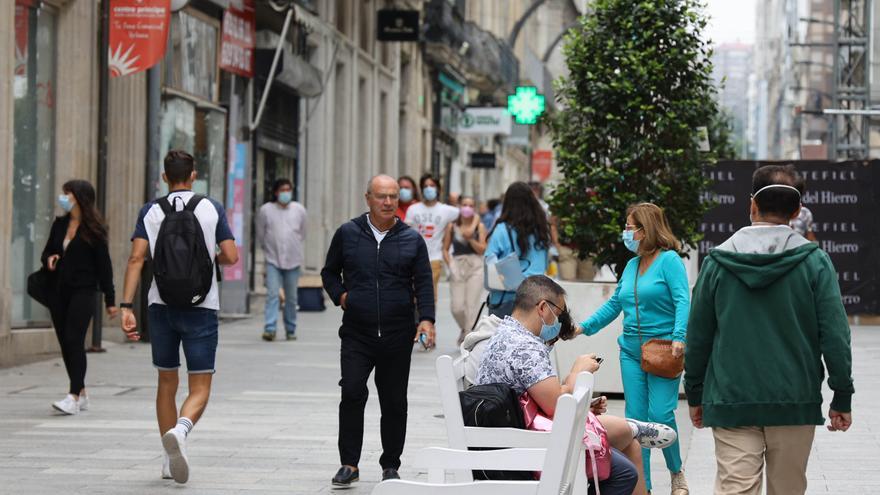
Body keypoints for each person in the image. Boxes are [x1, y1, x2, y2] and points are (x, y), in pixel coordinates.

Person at [685, 165, 854, 495]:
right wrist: (842, 395)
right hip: (795, 399)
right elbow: (835, 335)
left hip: (731, 398)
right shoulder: (815, 262)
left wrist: (695, 391)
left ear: (752, 205)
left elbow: (699, 334)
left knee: (735, 489)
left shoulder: (717, 263)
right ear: (796, 211)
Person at [476, 275, 678, 495]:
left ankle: (631, 429)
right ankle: (632, 428)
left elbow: (537, 400)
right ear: (543, 308)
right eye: (559, 314)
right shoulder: (525, 347)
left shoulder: (504, 334)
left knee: (631, 447)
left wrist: (581, 403)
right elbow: (555, 407)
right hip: (527, 447)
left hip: (515, 434)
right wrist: (577, 372)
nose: (559, 322)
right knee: (624, 472)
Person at [119, 150, 239, 484]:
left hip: (160, 306)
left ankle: (166, 458)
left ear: (164, 177)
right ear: (194, 175)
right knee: (200, 384)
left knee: (166, 382)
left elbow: (136, 259)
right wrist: (208, 256)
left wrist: (127, 307)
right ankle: (182, 432)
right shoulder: (210, 207)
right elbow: (231, 256)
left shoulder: (151, 210)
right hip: (202, 307)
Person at [321, 175, 436, 488]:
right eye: (381, 196)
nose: (388, 202)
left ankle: (390, 465)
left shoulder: (411, 239)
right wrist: (342, 296)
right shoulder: (348, 233)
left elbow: (424, 282)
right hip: (357, 332)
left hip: (399, 334)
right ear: (368, 198)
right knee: (352, 391)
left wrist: (426, 319)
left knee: (394, 401)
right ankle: (349, 463)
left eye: (393, 197)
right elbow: (329, 272)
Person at [579, 203, 690, 494]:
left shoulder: (670, 261)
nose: (626, 232)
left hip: (664, 349)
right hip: (630, 350)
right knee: (636, 421)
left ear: (646, 229)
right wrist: (583, 327)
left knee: (662, 415)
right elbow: (616, 304)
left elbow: (682, 299)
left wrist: (680, 336)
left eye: (630, 227)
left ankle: (676, 472)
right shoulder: (631, 266)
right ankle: (646, 487)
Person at [41, 180, 117, 415]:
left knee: (75, 339)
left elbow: (105, 267)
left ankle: (73, 396)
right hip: (60, 290)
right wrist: (50, 258)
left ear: (79, 197)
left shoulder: (94, 229)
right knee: (66, 342)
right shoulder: (60, 224)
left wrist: (110, 301)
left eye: (68, 193)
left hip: (84, 292)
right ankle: (82, 392)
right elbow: (47, 251)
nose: (63, 197)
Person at [484, 182, 550, 317]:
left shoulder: (502, 229)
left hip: (505, 299)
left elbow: (489, 260)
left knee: (502, 338)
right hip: (535, 298)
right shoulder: (541, 230)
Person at [256, 178, 307, 341]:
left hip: (293, 260)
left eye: (288, 189)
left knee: (291, 298)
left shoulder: (299, 210)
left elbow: (303, 233)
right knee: (272, 294)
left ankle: (291, 329)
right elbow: (260, 234)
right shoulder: (266, 210)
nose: (286, 193)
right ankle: (270, 328)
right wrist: (268, 249)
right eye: (282, 190)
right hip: (273, 259)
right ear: (276, 192)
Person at [404, 173, 459, 303]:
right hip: (413, 258)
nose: (429, 188)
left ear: (438, 189)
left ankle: (428, 321)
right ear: (421, 189)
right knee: (413, 293)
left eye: (432, 185)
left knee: (428, 294)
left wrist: (455, 203)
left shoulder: (447, 210)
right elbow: (405, 231)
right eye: (426, 186)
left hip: (434, 258)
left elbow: (467, 217)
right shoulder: (413, 209)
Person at [442, 196, 487, 344]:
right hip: (458, 265)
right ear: (460, 206)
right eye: (464, 204)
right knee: (457, 307)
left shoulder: (479, 226)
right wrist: (450, 264)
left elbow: (482, 249)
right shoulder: (452, 226)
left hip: (475, 266)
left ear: (474, 208)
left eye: (470, 205)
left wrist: (470, 238)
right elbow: (445, 249)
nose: (467, 208)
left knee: (471, 307)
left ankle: (468, 340)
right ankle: (465, 328)